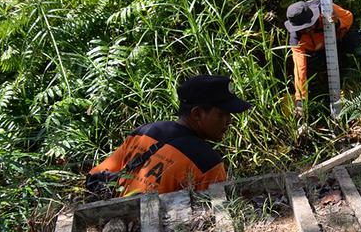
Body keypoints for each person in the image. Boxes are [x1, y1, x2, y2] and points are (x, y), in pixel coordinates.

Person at [87, 75, 251, 197]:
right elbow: (212, 215)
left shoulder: (143, 132)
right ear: (197, 114)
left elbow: (94, 177)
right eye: (222, 114)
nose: (228, 120)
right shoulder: (207, 164)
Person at [285, 0, 361, 103]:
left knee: (354, 38)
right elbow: (300, 68)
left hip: (338, 41)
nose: (307, 30)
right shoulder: (296, 39)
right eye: (303, 28)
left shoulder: (326, 9)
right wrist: (300, 99)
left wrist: (337, 22)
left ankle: (360, 69)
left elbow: (348, 17)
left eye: (308, 26)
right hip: (317, 55)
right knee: (307, 67)